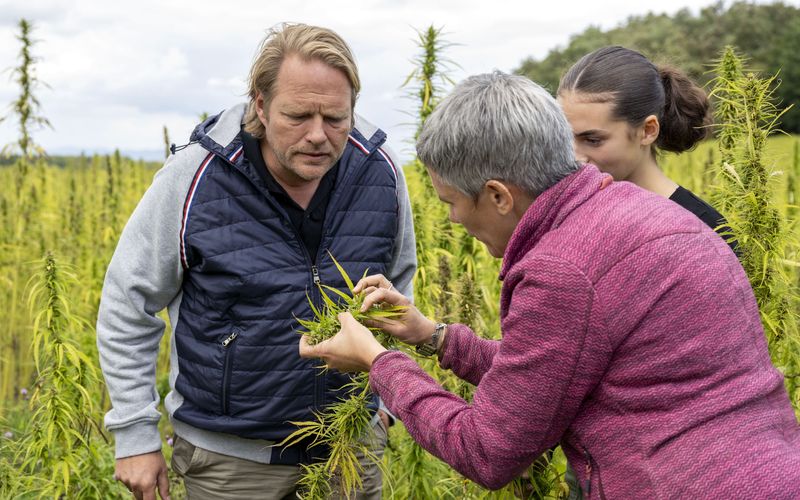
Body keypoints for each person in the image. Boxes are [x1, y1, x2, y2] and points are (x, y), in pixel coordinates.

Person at [299, 71, 800, 498]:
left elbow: (489, 451)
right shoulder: (641, 213)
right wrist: (431, 335)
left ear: (497, 195)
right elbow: (549, 375)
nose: (451, 219)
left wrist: (378, 361)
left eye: (451, 201)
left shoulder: (564, 269)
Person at [96, 23, 416, 500]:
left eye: (335, 117)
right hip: (230, 462)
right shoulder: (194, 177)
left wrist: (387, 398)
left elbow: (398, 281)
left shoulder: (379, 168)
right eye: (298, 115)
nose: (318, 136)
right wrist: (135, 435)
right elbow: (128, 303)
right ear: (260, 106)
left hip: (349, 450)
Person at [557, 46, 735, 249]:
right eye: (563, 138)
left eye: (593, 140)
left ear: (648, 130)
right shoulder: (572, 214)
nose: (575, 157)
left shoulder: (704, 229)